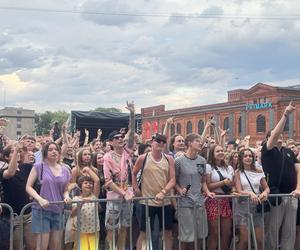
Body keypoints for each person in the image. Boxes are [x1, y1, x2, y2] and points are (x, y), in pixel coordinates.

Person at [261, 100, 300, 250]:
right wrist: (285, 114)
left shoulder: (289, 152)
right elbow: (275, 133)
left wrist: (298, 188)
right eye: (276, 135)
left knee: (289, 231)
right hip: (275, 196)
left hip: (292, 196)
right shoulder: (267, 150)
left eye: (281, 135)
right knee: (272, 230)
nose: (280, 136)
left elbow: (298, 170)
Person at [132, 133, 176, 250]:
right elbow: (134, 172)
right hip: (147, 202)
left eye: (163, 142)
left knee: (167, 232)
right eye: (158, 141)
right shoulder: (143, 158)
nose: (160, 144)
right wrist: (135, 187)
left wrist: (164, 191)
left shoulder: (169, 159)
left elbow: (173, 179)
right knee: (144, 233)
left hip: (164, 202)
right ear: (152, 142)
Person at [26, 142, 71, 250]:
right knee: (42, 246)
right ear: (45, 153)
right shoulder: (38, 166)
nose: (54, 151)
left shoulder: (65, 170)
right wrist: (40, 199)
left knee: (56, 246)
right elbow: (28, 187)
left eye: (56, 149)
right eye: (50, 149)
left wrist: (67, 196)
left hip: (58, 210)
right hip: (41, 210)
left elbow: (65, 190)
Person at [103, 101, 135, 250]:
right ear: (110, 142)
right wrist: (123, 193)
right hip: (115, 198)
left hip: (128, 196)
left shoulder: (128, 152)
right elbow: (108, 182)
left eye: (121, 137)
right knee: (111, 228)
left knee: (124, 228)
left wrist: (132, 114)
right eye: (116, 138)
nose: (120, 139)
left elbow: (132, 134)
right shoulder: (107, 157)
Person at [175, 133, 214, 250]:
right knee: (186, 236)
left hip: (199, 202)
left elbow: (203, 181)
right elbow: (174, 181)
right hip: (185, 203)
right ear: (189, 143)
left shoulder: (202, 161)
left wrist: (207, 192)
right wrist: (180, 189)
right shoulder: (179, 161)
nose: (200, 143)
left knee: (199, 235)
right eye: (197, 141)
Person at [0, 142, 37, 250]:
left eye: (17, 151)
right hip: (13, 216)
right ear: (6, 157)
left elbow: (35, 181)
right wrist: (17, 150)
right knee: (17, 247)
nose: (16, 153)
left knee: (32, 246)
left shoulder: (26, 167)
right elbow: (10, 173)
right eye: (12, 152)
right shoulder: (2, 171)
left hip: (28, 214)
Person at [234, 148, 270, 250]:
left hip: (257, 206)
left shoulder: (259, 171)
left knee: (260, 240)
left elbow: (267, 188)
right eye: (245, 156)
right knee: (244, 240)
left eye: (250, 156)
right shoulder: (237, 172)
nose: (248, 158)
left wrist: (264, 193)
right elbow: (239, 190)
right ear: (241, 158)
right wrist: (250, 193)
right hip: (243, 207)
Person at [205, 144, 234, 250]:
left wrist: (232, 189)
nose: (221, 152)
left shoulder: (229, 167)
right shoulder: (208, 167)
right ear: (212, 154)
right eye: (218, 151)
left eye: (222, 150)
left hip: (225, 200)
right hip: (213, 200)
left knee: (226, 232)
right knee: (214, 233)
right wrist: (223, 182)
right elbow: (208, 186)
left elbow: (232, 184)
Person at [71, 169, 100, 250]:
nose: (88, 185)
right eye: (85, 183)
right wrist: (80, 204)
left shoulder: (94, 196)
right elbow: (72, 214)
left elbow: (97, 180)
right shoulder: (76, 198)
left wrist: (88, 170)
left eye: (90, 183)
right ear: (80, 186)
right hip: (81, 231)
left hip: (94, 230)